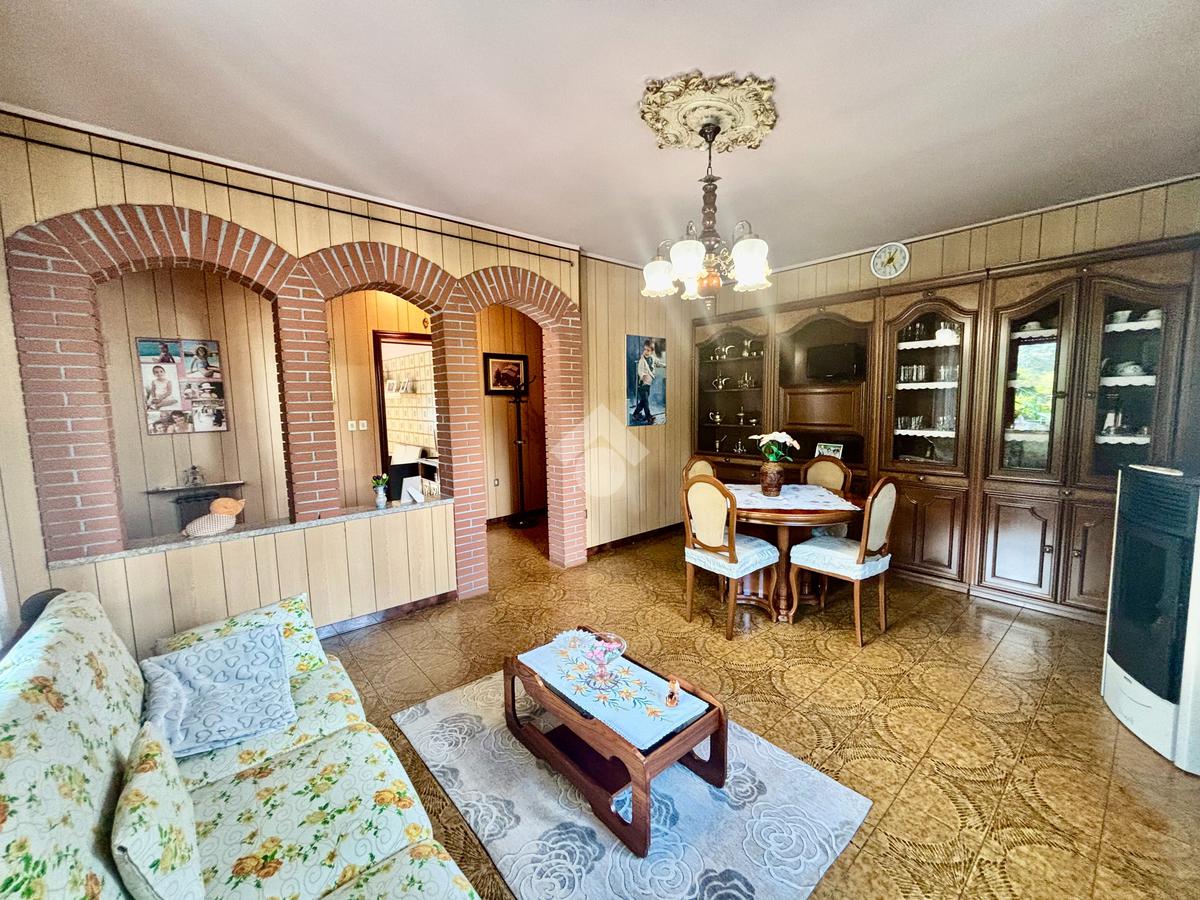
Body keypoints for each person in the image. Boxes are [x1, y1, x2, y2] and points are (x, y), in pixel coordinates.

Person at [632, 339, 656, 424]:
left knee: (643, 401)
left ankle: (635, 414)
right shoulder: (642, 360)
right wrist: (643, 375)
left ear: (652, 352)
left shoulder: (652, 358)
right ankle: (648, 417)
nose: (646, 351)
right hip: (642, 384)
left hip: (648, 384)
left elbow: (656, 363)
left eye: (648, 350)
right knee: (645, 401)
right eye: (645, 349)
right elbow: (639, 370)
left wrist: (665, 365)